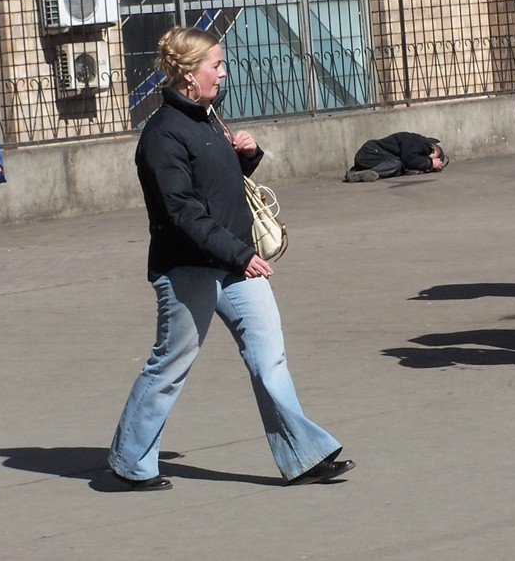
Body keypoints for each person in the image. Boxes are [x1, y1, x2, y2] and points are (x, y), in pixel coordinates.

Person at [108, 26, 354, 491]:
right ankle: (129, 461)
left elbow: (217, 185)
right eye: (215, 65)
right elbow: (182, 211)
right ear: (187, 74)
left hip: (236, 263)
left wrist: (248, 154)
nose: (223, 73)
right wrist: (241, 254)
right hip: (187, 268)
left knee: (270, 360)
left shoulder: (208, 117)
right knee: (170, 364)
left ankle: (304, 455)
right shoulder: (162, 135)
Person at [344, 132, 447, 182]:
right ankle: (357, 175)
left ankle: (359, 172)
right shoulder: (416, 142)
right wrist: (430, 163)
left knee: (397, 167)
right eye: (433, 158)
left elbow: (407, 162)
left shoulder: (418, 145)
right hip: (369, 153)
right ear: (432, 150)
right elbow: (408, 159)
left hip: (373, 156)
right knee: (396, 164)